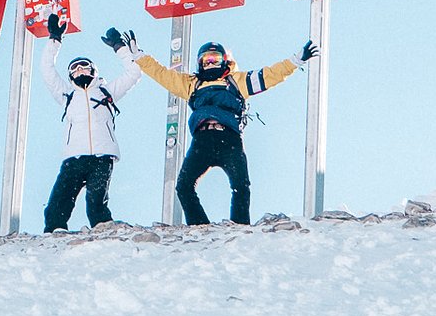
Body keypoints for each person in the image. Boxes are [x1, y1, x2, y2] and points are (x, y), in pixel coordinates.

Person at [119, 31, 317, 226]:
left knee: (241, 186)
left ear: (224, 61)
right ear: (200, 63)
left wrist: (296, 60)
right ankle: (200, 228)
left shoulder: (236, 82)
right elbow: (161, 74)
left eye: (216, 59)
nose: (211, 63)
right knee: (184, 186)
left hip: (229, 140)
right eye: (207, 60)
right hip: (202, 141)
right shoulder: (191, 84)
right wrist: (139, 56)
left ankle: (239, 228)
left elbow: (270, 75)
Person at [39, 12, 142, 232]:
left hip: (102, 157)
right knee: (57, 205)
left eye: (84, 67)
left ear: (93, 70)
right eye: (74, 69)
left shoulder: (106, 91)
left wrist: (120, 47)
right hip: (74, 157)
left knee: (96, 204)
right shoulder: (67, 95)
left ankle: (104, 237)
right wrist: (55, 40)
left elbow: (133, 73)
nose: (79, 71)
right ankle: (54, 238)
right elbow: (47, 71)